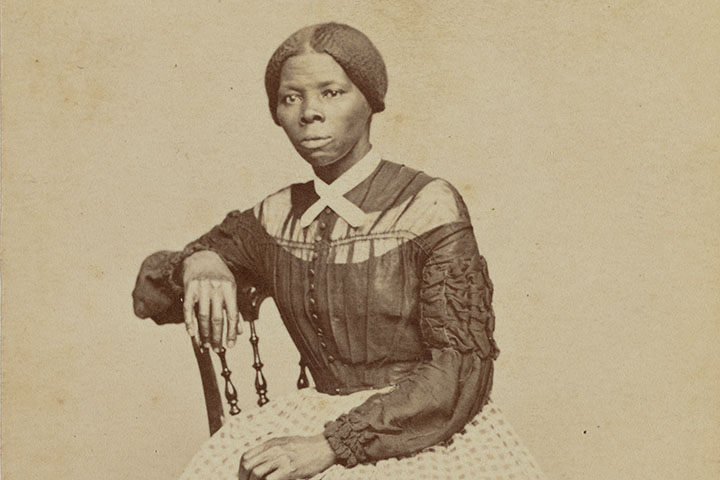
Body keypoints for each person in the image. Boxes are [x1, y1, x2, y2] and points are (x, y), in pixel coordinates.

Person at [132, 22, 546, 480]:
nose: (310, 113)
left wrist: (331, 445)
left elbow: (460, 371)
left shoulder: (427, 204)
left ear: (370, 100)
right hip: (311, 416)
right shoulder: (273, 217)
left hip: (419, 429)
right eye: (291, 98)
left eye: (331, 93)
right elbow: (154, 296)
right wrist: (200, 261)